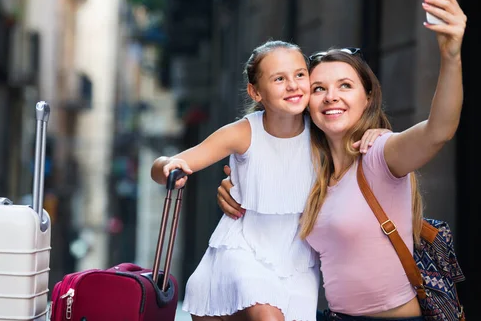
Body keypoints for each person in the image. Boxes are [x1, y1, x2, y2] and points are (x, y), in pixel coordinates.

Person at [216, 0, 466, 321]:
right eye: (318, 88)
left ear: (368, 97)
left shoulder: (377, 153)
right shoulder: (308, 170)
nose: (331, 96)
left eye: (345, 85)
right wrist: (234, 192)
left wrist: (452, 56)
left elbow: (439, 131)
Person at [151, 39, 388, 321]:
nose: (293, 85)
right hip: (242, 249)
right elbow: (168, 164)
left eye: (300, 75)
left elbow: (357, 142)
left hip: (296, 262)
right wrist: (168, 167)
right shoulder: (243, 132)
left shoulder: (321, 132)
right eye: (279, 79)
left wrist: (377, 135)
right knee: (267, 315)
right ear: (255, 91)